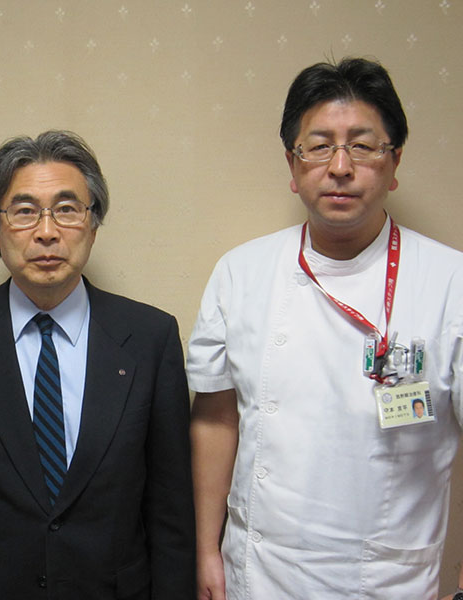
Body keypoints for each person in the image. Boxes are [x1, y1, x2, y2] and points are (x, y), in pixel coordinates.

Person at [187, 57, 463, 599]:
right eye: (318, 146)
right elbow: (216, 420)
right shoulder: (241, 272)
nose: (340, 167)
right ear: (292, 166)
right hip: (258, 574)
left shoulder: (451, 282)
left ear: (394, 161)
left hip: (389, 580)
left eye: (362, 146)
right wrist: (205, 552)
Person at [0, 130, 195, 599]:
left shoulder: (150, 337)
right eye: (24, 212)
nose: (46, 232)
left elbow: (171, 510)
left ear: (93, 226)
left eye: (67, 209)